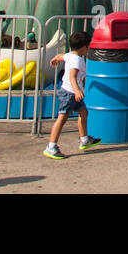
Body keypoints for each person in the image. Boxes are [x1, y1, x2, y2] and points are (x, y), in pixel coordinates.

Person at [43, 30, 100, 159]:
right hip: (70, 93)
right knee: (62, 119)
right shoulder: (77, 61)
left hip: (73, 93)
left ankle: (84, 139)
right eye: (88, 46)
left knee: (84, 113)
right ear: (84, 47)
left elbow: (61, 56)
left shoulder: (70, 55)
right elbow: (72, 76)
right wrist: (77, 90)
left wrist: (55, 59)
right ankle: (51, 146)